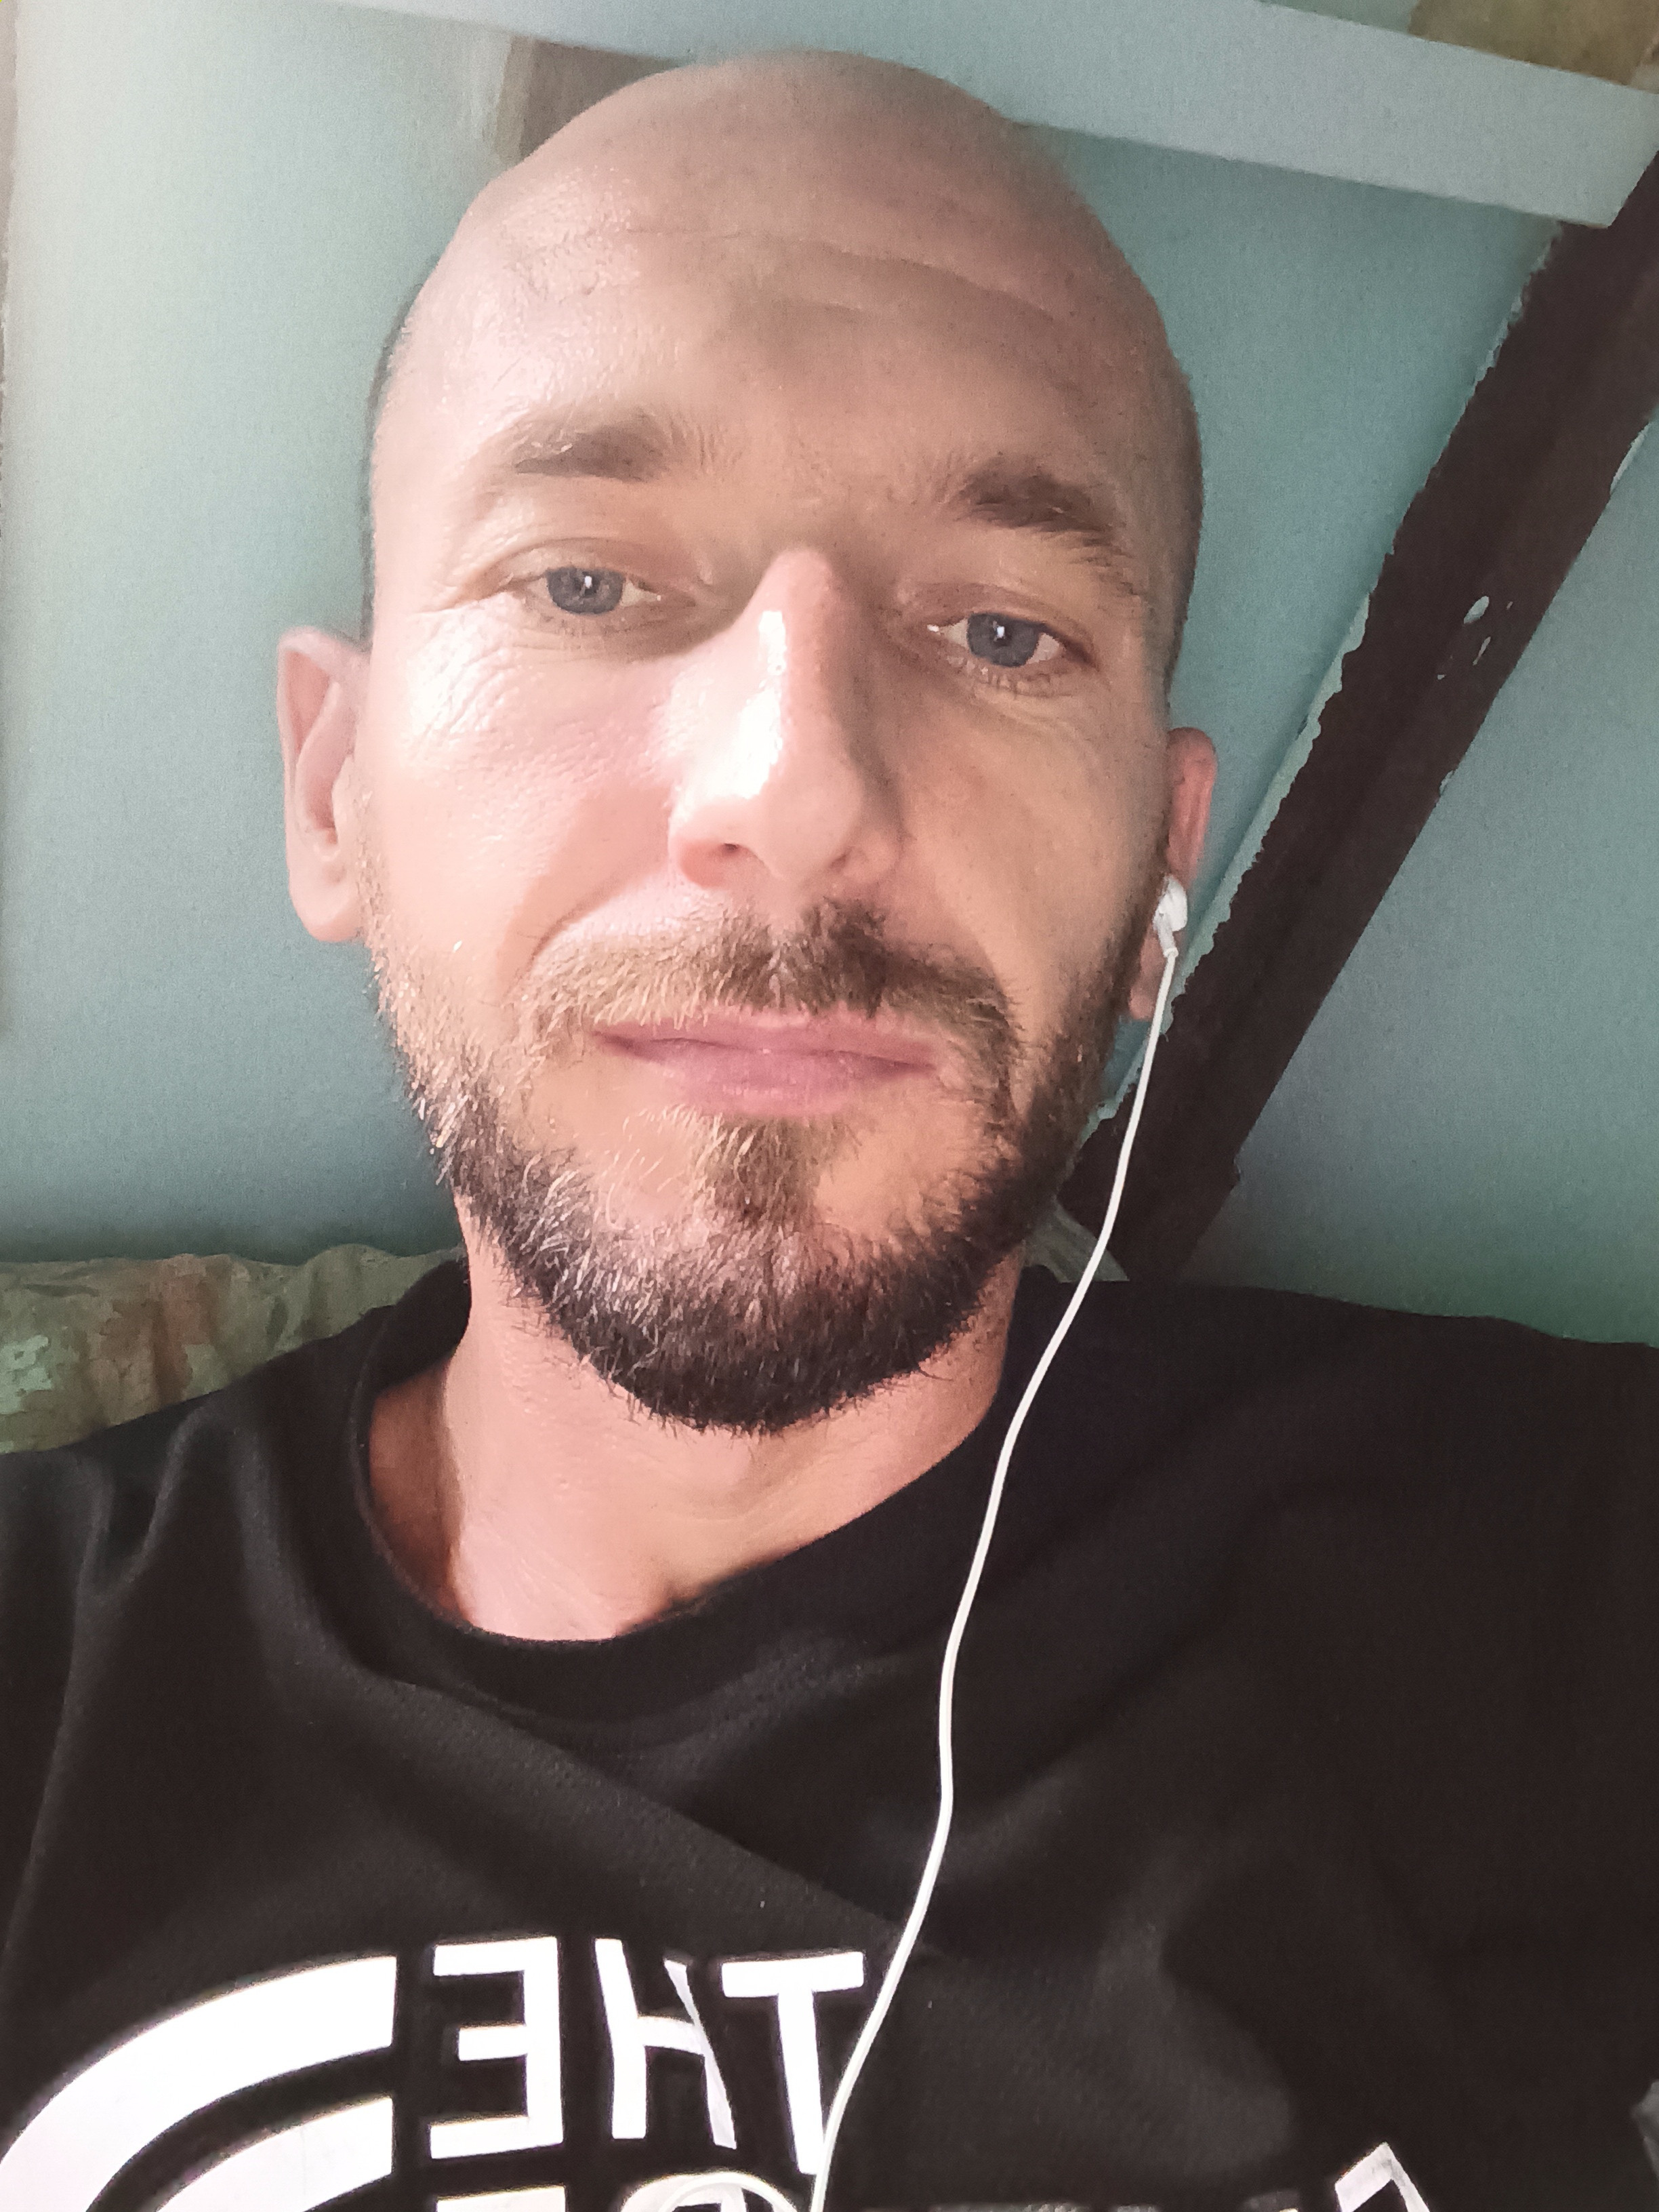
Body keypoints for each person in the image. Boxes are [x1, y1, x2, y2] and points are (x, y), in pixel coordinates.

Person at [0, 48, 1656, 2212]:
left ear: (1160, 876)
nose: (793, 789)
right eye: (586, 584)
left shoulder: (1530, 1588)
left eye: (1001, 630)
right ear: (338, 791)